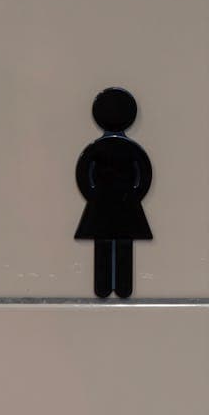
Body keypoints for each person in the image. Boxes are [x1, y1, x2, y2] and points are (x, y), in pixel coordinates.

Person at [75, 88, 153, 298]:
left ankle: (114, 287)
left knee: (109, 243)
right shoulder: (124, 148)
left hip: (106, 202)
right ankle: (116, 287)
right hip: (122, 203)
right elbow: (144, 176)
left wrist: (93, 195)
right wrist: (134, 196)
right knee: (118, 243)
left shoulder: (98, 148)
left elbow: (83, 174)